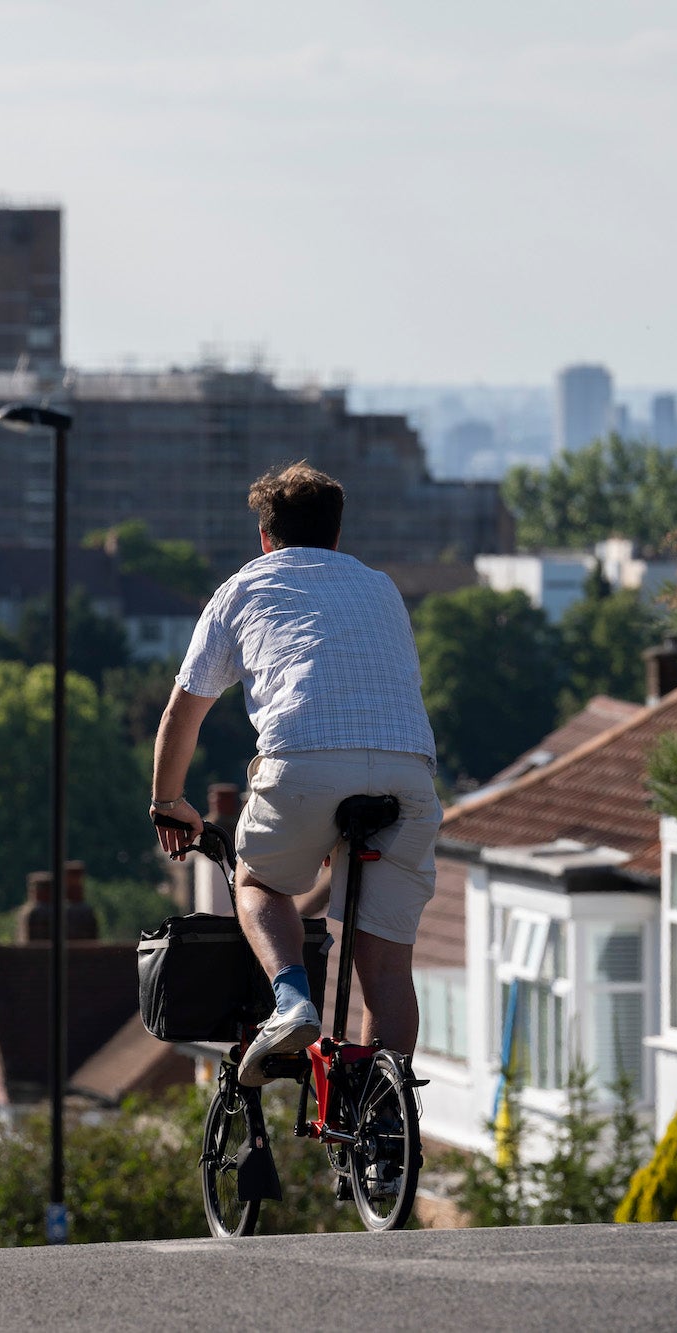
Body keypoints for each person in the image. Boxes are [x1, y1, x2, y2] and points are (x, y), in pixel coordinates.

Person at [150, 463, 441, 1087]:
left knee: (258, 883)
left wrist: (168, 800)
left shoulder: (243, 589)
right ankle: (382, 1124)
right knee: (387, 971)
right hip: (407, 774)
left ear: (264, 537)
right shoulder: (380, 588)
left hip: (303, 763)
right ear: (337, 537)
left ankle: (292, 1001)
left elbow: (184, 710)